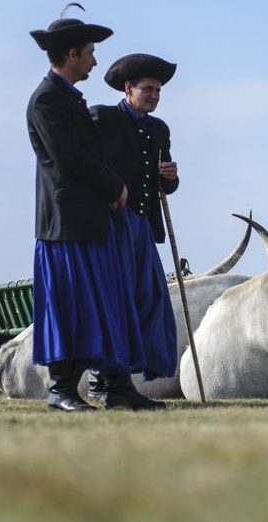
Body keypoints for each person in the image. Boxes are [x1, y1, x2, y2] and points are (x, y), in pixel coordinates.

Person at [27, 10, 164, 411]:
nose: (94, 60)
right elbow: (68, 159)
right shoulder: (47, 100)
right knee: (68, 308)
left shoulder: (69, 98)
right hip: (65, 226)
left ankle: (117, 388)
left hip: (90, 223)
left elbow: (94, 154)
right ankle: (61, 391)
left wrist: (120, 184)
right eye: (89, 52)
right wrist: (114, 185)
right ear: (71, 54)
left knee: (106, 304)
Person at [88, 54, 180, 390]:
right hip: (112, 223)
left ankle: (129, 372)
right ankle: (103, 377)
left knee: (150, 298)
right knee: (116, 297)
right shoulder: (102, 118)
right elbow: (88, 165)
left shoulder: (159, 129)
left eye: (158, 90)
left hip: (143, 223)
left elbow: (166, 182)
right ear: (128, 88)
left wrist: (169, 177)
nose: (155, 95)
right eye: (148, 89)